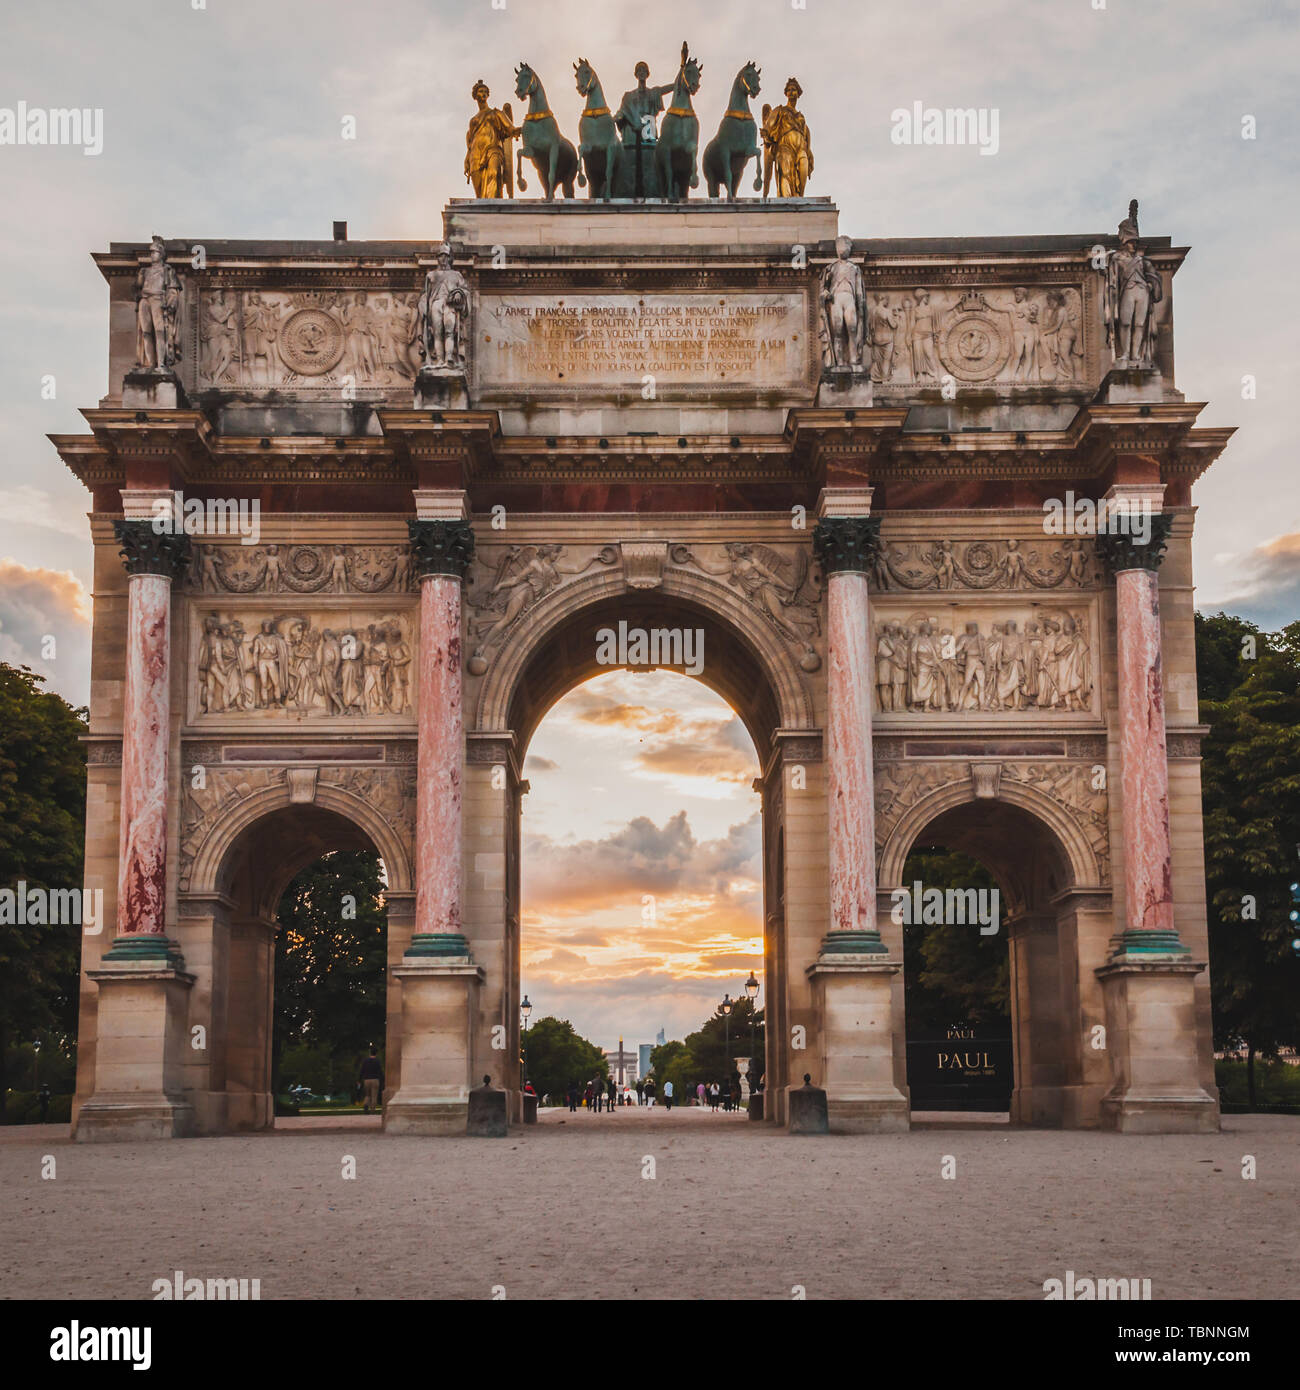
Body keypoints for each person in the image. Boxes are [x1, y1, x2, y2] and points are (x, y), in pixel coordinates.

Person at [358, 1047, 383, 1113]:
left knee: (367, 1095)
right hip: (375, 1079)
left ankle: (366, 1104)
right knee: (374, 1095)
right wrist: (382, 1079)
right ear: (376, 1053)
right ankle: (372, 1110)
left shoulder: (365, 1061)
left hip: (366, 1080)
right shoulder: (377, 1061)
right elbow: (380, 1071)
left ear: (370, 1053)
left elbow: (362, 1071)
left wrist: (359, 1079)